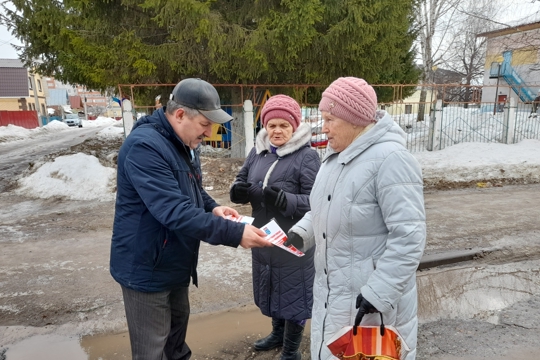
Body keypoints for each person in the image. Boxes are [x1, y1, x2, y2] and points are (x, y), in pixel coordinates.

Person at [110, 78, 272, 360]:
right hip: (147, 268)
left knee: (175, 345)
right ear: (180, 114)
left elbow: (191, 189)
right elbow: (173, 209)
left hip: (174, 262)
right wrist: (234, 234)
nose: (209, 133)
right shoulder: (145, 147)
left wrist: (212, 208)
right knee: (152, 351)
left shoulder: (182, 142)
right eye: (205, 124)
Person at [285, 77, 426, 360]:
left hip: (370, 303)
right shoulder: (335, 158)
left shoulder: (391, 159)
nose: (322, 127)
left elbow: (409, 236)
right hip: (333, 295)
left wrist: (379, 292)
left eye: (329, 119)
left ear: (355, 120)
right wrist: (302, 232)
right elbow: (323, 209)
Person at [230, 95, 321, 360]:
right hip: (263, 236)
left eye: (284, 125)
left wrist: (288, 200)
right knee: (271, 287)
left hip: (293, 240)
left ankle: (291, 350)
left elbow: (318, 201)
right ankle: (276, 334)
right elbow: (242, 177)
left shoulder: (307, 157)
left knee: (294, 295)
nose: (277, 131)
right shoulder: (257, 151)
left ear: (294, 126)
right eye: (272, 125)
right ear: (265, 127)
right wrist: (238, 190)